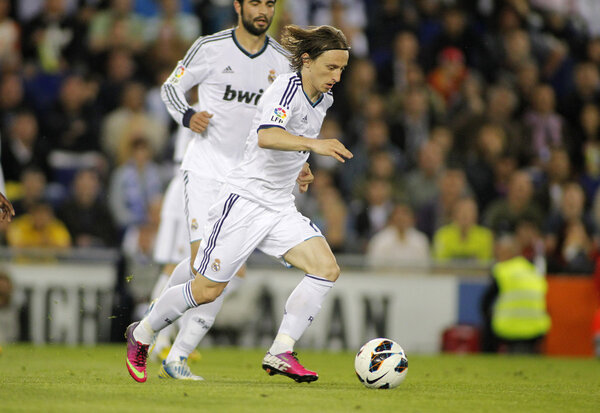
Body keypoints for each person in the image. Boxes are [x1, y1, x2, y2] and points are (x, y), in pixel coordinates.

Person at [125, 23, 352, 384]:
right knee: (207, 289)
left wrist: (302, 167)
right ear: (306, 61)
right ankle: (142, 333)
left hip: (278, 206)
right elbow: (267, 136)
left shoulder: (322, 99)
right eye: (331, 67)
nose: (336, 77)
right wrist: (316, 146)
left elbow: (294, 140)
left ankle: (281, 349)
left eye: (342, 69)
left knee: (326, 268)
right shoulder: (286, 87)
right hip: (245, 201)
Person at [147, 0, 298, 380]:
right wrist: (187, 115)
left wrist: (301, 162)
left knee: (219, 271)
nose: (263, 11)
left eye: (269, 4)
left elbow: (291, 119)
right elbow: (171, 88)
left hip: (246, 180)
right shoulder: (210, 47)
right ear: (238, 5)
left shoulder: (282, 62)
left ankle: (170, 348)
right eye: (255, 3)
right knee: (210, 269)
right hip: (205, 170)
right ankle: (157, 337)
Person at [480, 235, 551, 353]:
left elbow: (485, 302)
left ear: (509, 253)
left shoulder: (502, 271)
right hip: (536, 329)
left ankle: (488, 358)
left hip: (508, 328)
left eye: (500, 253)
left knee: (488, 323)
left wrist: (490, 317)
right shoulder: (532, 270)